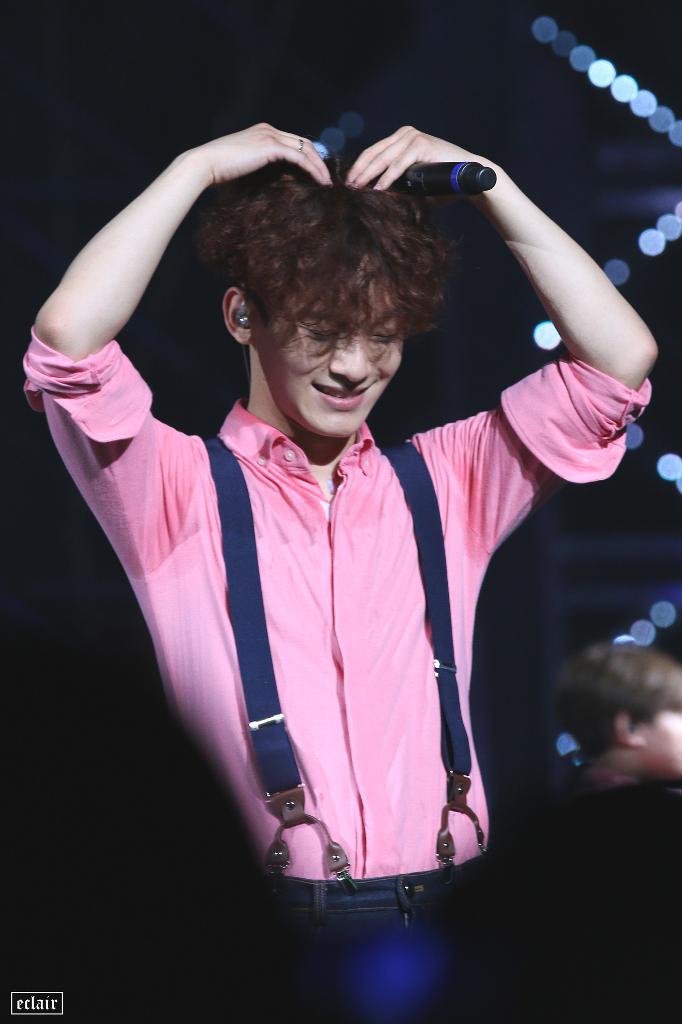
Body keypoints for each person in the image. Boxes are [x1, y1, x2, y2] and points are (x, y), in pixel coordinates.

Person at [23, 123, 656, 951]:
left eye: (382, 336)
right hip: (263, 929)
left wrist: (491, 183)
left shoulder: (444, 482)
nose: (354, 365)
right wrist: (194, 170)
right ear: (242, 314)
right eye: (322, 330)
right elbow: (68, 339)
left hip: (451, 914)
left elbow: (620, 360)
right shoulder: (172, 488)